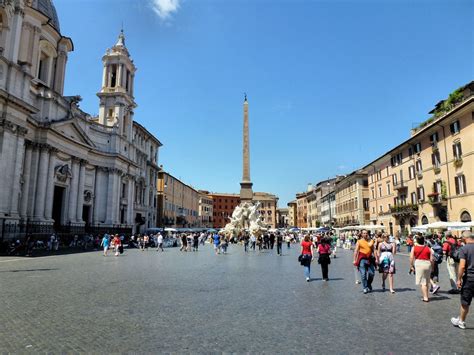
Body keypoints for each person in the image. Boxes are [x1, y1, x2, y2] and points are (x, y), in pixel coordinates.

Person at [451, 231, 474, 330]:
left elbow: (462, 266)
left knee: (465, 301)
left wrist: (459, 279)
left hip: (470, 278)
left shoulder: (464, 249)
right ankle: (459, 318)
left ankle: (461, 321)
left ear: (464, 238)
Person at [410, 235, 434, 302]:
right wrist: (432, 267)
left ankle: (425, 297)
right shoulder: (428, 248)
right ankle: (426, 295)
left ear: (417, 241)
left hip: (419, 264)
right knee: (426, 281)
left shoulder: (414, 248)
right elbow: (432, 259)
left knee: (422, 282)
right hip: (427, 264)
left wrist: (411, 265)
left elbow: (411, 257)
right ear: (424, 241)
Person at [353, 230, 375, 294]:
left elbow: (374, 250)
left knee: (372, 273)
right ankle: (365, 287)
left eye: (366, 233)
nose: (365, 234)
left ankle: (368, 284)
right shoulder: (359, 242)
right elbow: (356, 251)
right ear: (362, 234)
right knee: (363, 274)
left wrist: (376, 258)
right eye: (364, 233)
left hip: (369, 259)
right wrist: (354, 259)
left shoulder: (370, 241)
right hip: (362, 259)